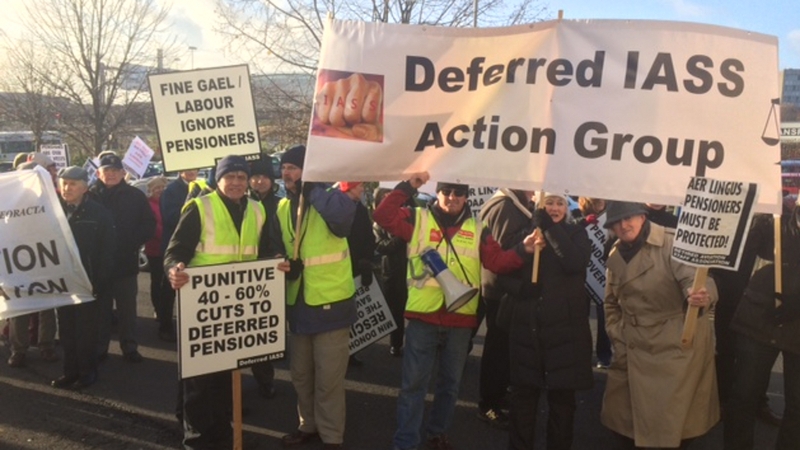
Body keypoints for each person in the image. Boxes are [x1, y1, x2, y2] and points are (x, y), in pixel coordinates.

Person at [373, 173, 538, 450]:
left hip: (460, 319)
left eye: (459, 193)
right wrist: (408, 186)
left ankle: (437, 434)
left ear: (466, 196)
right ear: (437, 193)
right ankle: (405, 442)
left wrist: (524, 249)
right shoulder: (418, 218)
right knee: (413, 385)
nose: (452, 198)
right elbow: (382, 215)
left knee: (450, 386)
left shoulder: (479, 228)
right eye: (447, 191)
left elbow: (497, 262)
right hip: (423, 317)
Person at [165, 155, 280, 450]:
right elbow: (175, 251)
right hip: (202, 307)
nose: (237, 182)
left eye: (241, 177)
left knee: (225, 378)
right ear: (219, 179)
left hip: (237, 309)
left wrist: (276, 262)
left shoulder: (257, 209)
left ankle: (221, 433)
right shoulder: (200, 207)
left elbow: (264, 251)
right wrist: (174, 269)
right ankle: (196, 440)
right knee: (198, 381)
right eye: (230, 177)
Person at [600, 201, 719, 449]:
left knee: (670, 428)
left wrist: (700, 295)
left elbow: (698, 280)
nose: (623, 225)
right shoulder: (615, 252)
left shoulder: (672, 242)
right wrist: (617, 334)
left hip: (672, 348)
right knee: (623, 423)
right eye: (616, 222)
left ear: (642, 216)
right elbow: (610, 302)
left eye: (629, 217)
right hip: (631, 344)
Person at [276, 145, 356, 450]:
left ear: (308, 170)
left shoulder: (333, 198)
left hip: (331, 305)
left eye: (294, 167)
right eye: (284, 167)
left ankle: (332, 436)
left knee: (328, 379)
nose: (287, 173)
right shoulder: (283, 207)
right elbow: (276, 245)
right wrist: (284, 263)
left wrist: (313, 191)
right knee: (301, 376)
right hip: (299, 306)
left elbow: (342, 220)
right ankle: (307, 425)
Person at [499, 192, 593, 449]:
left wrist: (550, 228)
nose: (554, 208)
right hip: (528, 330)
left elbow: (574, 262)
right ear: (539, 206)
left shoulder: (576, 234)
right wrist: (521, 289)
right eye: (548, 203)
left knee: (562, 406)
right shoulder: (524, 235)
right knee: (523, 401)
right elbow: (503, 273)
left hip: (565, 333)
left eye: (560, 203)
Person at [723, 211, 800, 450]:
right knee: (743, 394)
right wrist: (760, 216)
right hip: (759, 319)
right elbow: (740, 251)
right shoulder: (773, 220)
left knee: (798, 405)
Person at [474, 188, 536, 430]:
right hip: (500, 289)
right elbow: (501, 249)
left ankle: (497, 394)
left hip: (506, 287)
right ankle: (488, 404)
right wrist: (532, 229)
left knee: (504, 348)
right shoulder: (505, 207)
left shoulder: (512, 205)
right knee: (497, 350)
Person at [50, 166, 116, 389]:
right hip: (62, 282)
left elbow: (108, 251)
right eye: (64, 183)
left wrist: (99, 282)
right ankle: (70, 372)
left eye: (72, 184)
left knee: (86, 333)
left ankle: (87, 373)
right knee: (66, 330)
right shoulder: (52, 210)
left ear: (85, 187)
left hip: (89, 283)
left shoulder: (99, 213)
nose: (67, 188)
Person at [90, 153, 155, 363]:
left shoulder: (135, 196)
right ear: (98, 173)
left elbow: (149, 224)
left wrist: (132, 242)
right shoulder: (89, 195)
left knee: (127, 311)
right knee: (101, 311)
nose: (110, 174)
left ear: (122, 173)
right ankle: (100, 348)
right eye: (106, 170)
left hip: (125, 264)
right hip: (98, 266)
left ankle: (129, 347)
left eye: (115, 171)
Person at [7, 159, 60, 367]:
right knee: (19, 307)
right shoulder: (8, 199)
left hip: (45, 257)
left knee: (47, 306)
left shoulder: (49, 197)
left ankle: (46, 345)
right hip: (17, 260)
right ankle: (18, 349)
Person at [247, 157, 280, 399]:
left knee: (263, 329)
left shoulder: (280, 204)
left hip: (270, 272)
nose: (259, 181)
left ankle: (265, 379)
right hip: (244, 273)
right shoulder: (241, 203)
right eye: (255, 177)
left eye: (264, 177)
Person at [340, 181, 376, 368]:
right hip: (339, 270)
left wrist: (367, 261)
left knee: (354, 313)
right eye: (359, 185)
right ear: (349, 187)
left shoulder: (360, 209)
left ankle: (351, 351)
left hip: (356, 268)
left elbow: (368, 236)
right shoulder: (337, 208)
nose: (362, 189)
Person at [575, 197, 612, 369]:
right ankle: (582, 353)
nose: (600, 203)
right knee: (580, 317)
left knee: (604, 316)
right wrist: (582, 223)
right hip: (582, 274)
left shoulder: (610, 216)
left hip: (603, 273)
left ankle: (604, 355)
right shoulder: (576, 214)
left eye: (602, 201)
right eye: (596, 201)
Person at [373, 187, 408, 357]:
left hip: (412, 271)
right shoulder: (377, 224)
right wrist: (400, 238)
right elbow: (380, 246)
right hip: (392, 273)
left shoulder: (406, 218)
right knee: (396, 310)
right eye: (385, 198)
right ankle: (396, 343)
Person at [144, 176, 176, 342]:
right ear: (151, 190)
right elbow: (154, 226)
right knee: (158, 280)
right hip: (155, 248)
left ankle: (165, 310)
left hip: (169, 247)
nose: (160, 190)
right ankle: (158, 309)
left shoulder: (168, 201)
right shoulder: (149, 204)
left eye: (162, 187)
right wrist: (166, 236)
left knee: (168, 283)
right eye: (157, 188)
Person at [161, 169, 200, 254]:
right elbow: (171, 218)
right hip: (177, 244)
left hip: (198, 245)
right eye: (188, 168)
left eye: (194, 168)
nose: (191, 171)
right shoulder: (170, 190)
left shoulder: (201, 187)